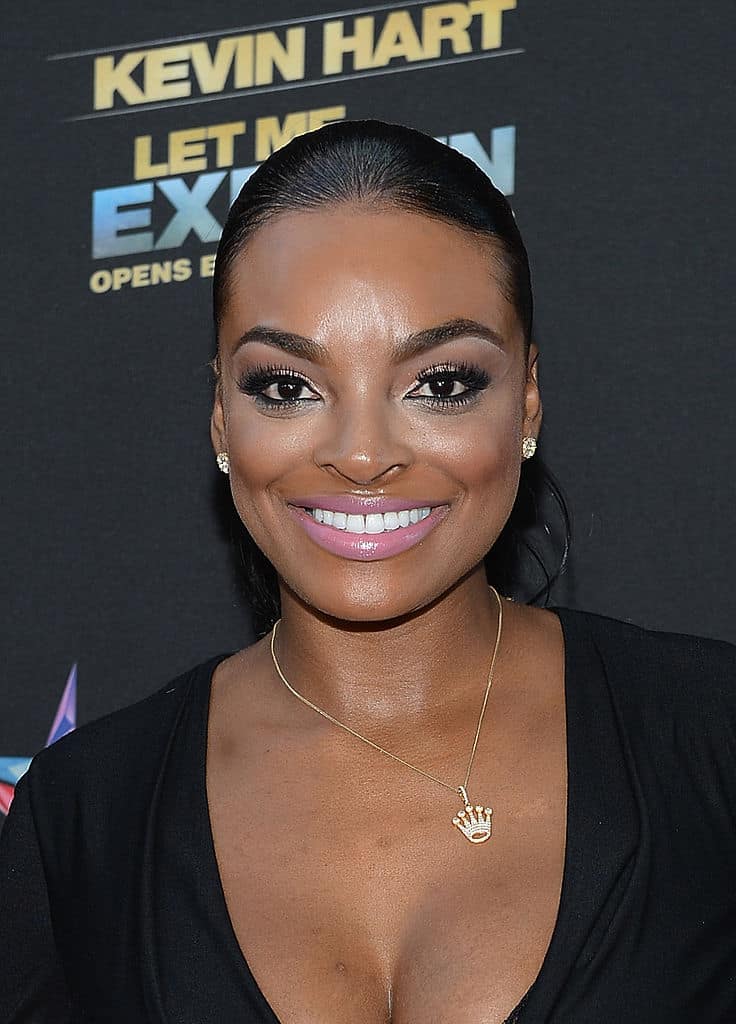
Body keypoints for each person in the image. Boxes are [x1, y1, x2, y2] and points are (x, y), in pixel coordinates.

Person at [1, 120, 734, 1024]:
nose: (360, 455)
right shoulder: (80, 819)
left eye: (442, 383)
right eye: (286, 387)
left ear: (529, 401)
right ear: (223, 420)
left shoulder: (712, 735)